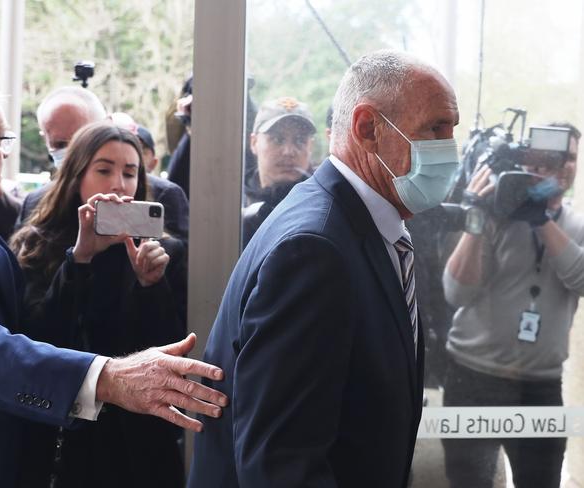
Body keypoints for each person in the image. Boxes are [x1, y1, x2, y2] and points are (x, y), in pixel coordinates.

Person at [0, 73, 226, 488]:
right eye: (2, 144)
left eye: (129, 172)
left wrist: (150, 285)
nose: (5, 157)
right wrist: (106, 378)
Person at [188, 50, 460, 487]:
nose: (449, 148)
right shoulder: (315, 250)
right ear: (367, 128)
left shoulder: (354, 226)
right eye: (435, 127)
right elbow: (282, 463)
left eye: (452, 129)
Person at [11, 121, 187, 486]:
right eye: (104, 170)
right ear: (77, 176)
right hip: (60, 436)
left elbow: (173, 346)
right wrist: (80, 258)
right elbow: (34, 338)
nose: (118, 185)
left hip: (136, 440)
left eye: (130, 172)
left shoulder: (161, 251)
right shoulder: (38, 243)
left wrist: (150, 286)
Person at [440, 124, 584, 488]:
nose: (562, 166)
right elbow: (456, 293)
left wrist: (541, 220)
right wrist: (477, 216)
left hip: (540, 386)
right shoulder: (493, 214)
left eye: (570, 158)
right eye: (551, 158)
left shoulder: (576, 225)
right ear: (529, 160)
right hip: (472, 378)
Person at [17, 86, 189, 243]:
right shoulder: (37, 203)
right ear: (45, 140)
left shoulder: (163, 196)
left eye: (83, 138)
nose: (73, 153)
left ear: (107, 126)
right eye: (60, 144)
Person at [242, 97, 316, 247]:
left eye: (300, 141)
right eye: (277, 139)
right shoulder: (232, 200)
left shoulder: (322, 202)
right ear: (254, 142)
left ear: (311, 147)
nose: (288, 151)